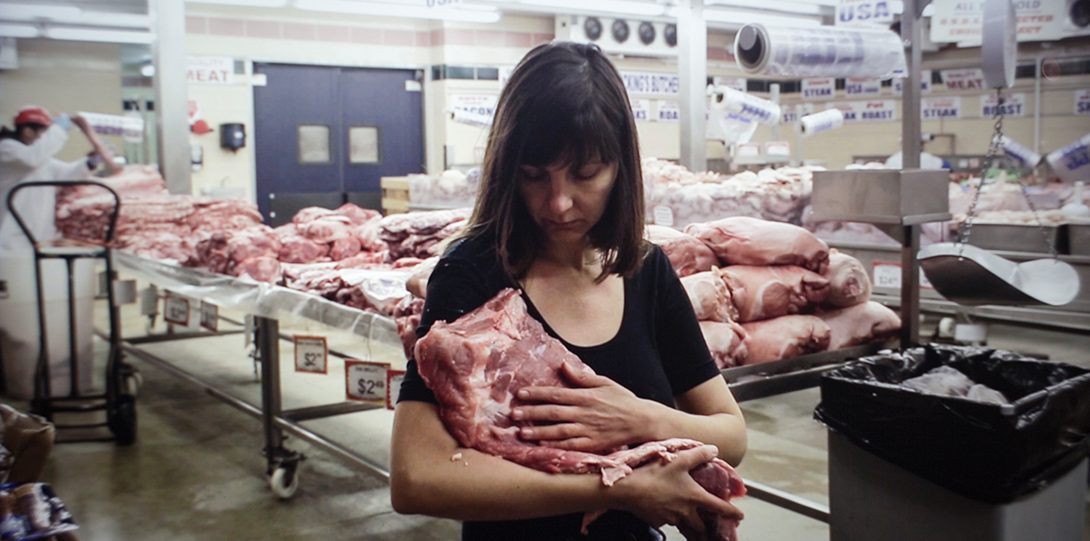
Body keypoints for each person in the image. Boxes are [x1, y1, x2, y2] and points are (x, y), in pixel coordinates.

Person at [391, 42, 747, 541]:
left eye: (585, 173)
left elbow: (731, 435)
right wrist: (617, 489)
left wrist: (640, 417)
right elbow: (417, 477)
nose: (558, 203)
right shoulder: (473, 272)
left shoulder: (647, 272)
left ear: (621, 165)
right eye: (534, 176)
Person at [0, 106, 121, 252]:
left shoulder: (40, 158)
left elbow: (66, 175)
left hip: (39, 234)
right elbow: (31, 159)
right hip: (9, 238)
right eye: (44, 133)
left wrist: (90, 163)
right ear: (27, 131)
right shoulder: (7, 149)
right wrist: (59, 129)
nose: (45, 138)